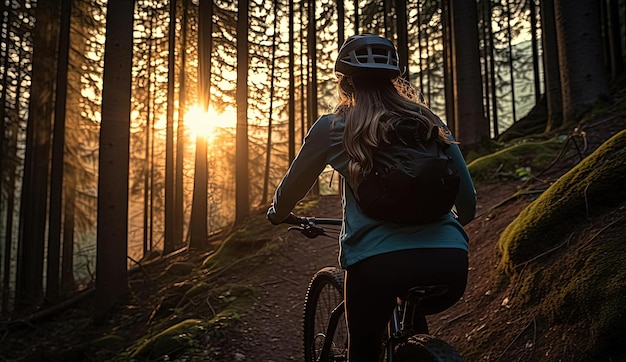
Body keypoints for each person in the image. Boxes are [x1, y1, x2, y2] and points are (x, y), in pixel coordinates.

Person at [267, 34, 476, 361]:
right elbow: (469, 205)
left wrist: (277, 214)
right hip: (449, 263)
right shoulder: (429, 123)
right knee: (412, 331)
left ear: (346, 82)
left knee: (363, 350)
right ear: (395, 78)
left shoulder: (334, 126)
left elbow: (294, 186)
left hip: (377, 265)